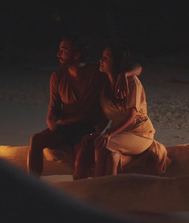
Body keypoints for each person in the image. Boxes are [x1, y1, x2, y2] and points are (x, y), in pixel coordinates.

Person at [27, 33, 142, 179]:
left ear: (76, 55)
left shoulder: (97, 73)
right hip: (65, 128)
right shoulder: (57, 77)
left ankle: (81, 193)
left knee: (80, 164)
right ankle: (31, 184)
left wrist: (124, 74)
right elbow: (53, 107)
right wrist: (52, 122)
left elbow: (137, 67)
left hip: (88, 129)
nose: (58, 54)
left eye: (63, 51)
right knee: (36, 140)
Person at [93, 42, 170, 177]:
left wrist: (108, 134)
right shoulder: (104, 85)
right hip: (121, 133)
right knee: (110, 154)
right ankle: (107, 188)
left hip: (139, 133)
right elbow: (107, 115)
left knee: (103, 145)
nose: (101, 60)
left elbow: (131, 117)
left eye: (106, 57)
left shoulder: (131, 82)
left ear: (116, 62)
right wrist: (97, 132)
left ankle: (98, 184)